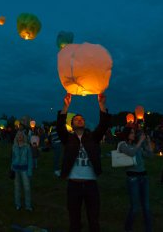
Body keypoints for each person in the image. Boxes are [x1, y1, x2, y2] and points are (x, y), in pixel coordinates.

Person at [56, 93, 110, 232]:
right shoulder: (68, 139)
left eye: (82, 119)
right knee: (74, 221)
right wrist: (65, 106)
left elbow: (103, 125)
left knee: (94, 220)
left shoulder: (92, 137)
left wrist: (102, 105)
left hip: (91, 185)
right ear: (72, 124)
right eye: (77, 119)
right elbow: (59, 127)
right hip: (73, 185)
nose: (80, 120)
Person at [118, 127, 153, 232]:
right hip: (133, 179)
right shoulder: (123, 145)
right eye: (132, 133)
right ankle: (128, 228)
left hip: (144, 177)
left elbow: (150, 155)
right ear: (127, 134)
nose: (134, 134)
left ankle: (149, 229)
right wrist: (140, 142)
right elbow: (131, 153)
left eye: (134, 133)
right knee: (135, 207)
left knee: (146, 206)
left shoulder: (135, 145)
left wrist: (148, 142)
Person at [11, 130, 33, 211]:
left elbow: (30, 159)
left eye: (21, 135)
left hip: (25, 170)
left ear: (24, 137)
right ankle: (18, 204)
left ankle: (28, 206)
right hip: (16, 169)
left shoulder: (27, 147)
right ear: (16, 137)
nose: (20, 137)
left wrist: (30, 171)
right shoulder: (14, 146)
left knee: (27, 188)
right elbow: (13, 158)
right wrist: (11, 169)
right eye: (18, 135)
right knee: (17, 188)